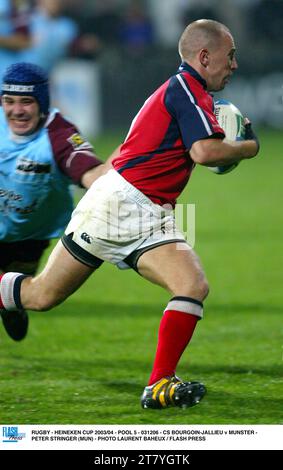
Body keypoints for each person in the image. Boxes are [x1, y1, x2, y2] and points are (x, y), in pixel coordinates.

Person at [0, 20, 259, 410]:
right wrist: (247, 148)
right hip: (117, 204)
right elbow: (205, 153)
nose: (234, 64)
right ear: (205, 57)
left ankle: (159, 385)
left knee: (192, 285)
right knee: (39, 296)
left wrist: (229, 146)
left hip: (149, 210)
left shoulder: (191, 91)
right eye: (231, 55)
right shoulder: (186, 88)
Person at [0, 61, 111, 336]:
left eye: (26, 101)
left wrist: (128, 161)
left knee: (16, 289)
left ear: (42, 104)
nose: (16, 110)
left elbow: (91, 175)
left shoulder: (59, 134)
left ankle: (10, 304)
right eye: (9, 101)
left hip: (30, 233)